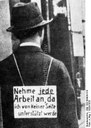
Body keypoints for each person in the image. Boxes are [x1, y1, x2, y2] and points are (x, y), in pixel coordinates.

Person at [0, 2, 79, 128]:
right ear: (41, 32)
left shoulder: (3, 68)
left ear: (15, 35)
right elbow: (70, 122)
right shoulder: (57, 67)